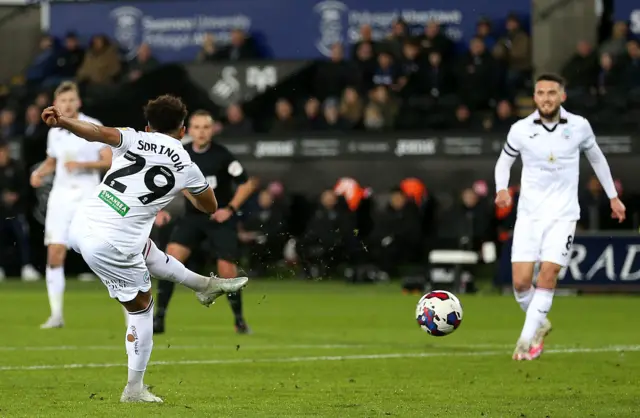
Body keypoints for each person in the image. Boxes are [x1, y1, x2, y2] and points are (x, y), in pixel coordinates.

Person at [40, 95, 248, 402]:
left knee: (146, 249)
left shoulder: (133, 137)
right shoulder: (187, 165)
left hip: (85, 222)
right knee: (142, 308)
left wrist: (63, 121)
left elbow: (95, 132)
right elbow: (210, 206)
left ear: (148, 126)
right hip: (113, 243)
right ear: (182, 131)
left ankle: (203, 285)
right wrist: (186, 187)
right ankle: (134, 390)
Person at [494, 73, 625, 361]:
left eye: (552, 93)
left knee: (548, 274)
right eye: (541, 93)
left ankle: (526, 341)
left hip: (563, 215)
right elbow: (504, 161)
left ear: (562, 96)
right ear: (535, 97)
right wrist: (501, 189)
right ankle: (540, 324)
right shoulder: (520, 129)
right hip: (529, 215)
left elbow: (597, 159)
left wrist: (612, 196)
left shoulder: (579, 126)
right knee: (520, 283)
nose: (546, 98)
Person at [153, 110, 257, 334]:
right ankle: (159, 319)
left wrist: (229, 209)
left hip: (219, 218)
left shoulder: (222, 155)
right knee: (169, 259)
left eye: (206, 127)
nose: (201, 132)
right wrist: (159, 209)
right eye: (197, 127)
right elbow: (163, 181)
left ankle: (239, 320)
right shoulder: (181, 153)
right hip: (193, 218)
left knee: (226, 270)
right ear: (189, 130)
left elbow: (247, 184)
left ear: (212, 130)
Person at [30, 81, 112, 329]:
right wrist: (40, 173)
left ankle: (131, 305)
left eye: (71, 100)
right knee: (55, 253)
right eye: (62, 101)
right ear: (56, 104)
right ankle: (56, 315)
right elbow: (52, 161)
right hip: (60, 197)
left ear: (79, 102)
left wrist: (83, 166)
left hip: (88, 195)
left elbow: (108, 161)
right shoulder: (54, 130)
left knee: (102, 252)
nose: (67, 104)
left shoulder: (92, 125)